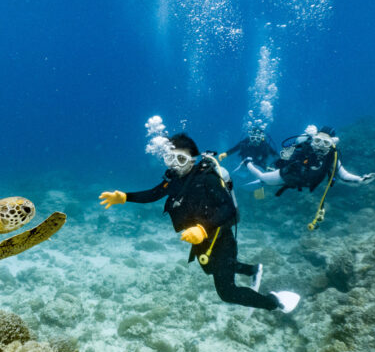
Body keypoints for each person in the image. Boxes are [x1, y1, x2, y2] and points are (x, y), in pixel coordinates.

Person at [99, 132, 300, 312]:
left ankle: (275, 302)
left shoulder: (207, 178)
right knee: (210, 268)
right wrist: (125, 197)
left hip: (220, 238)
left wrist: (203, 229)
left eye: (180, 159)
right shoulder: (173, 180)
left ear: (192, 159)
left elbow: (228, 209)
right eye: (170, 159)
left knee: (227, 292)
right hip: (200, 239)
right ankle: (252, 270)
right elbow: (154, 193)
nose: (175, 165)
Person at [245, 125, 375, 229]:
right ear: (313, 140)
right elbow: (286, 150)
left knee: (266, 179)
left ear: (332, 144)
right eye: (317, 141)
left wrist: (361, 180)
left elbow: (344, 175)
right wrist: (248, 162)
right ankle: (248, 163)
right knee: (263, 177)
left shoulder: (332, 157)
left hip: (304, 182)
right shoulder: (305, 147)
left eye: (326, 143)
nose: (320, 146)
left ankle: (259, 175)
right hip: (286, 176)